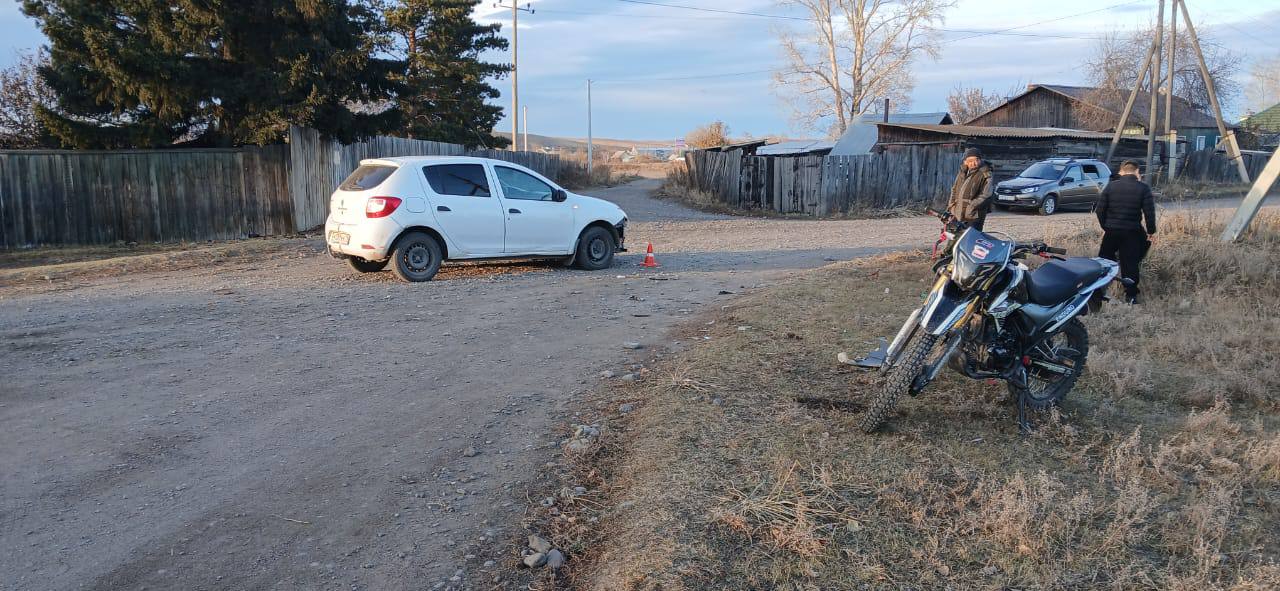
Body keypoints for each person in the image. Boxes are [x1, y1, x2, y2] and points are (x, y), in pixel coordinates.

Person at [1095, 160, 1156, 304]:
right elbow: (1149, 213)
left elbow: (1099, 210)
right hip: (1132, 232)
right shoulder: (1143, 188)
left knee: (1104, 262)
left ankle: (1096, 292)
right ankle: (1131, 296)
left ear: (1121, 171)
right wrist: (1151, 231)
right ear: (1137, 171)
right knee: (1130, 264)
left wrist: (1106, 227)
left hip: (1111, 232)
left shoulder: (1111, 187)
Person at [945, 147, 994, 231]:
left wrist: (971, 206)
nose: (973, 163)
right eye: (970, 161)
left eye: (975, 160)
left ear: (980, 160)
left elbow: (986, 195)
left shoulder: (986, 173)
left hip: (974, 214)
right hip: (958, 212)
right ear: (966, 162)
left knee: (971, 239)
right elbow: (954, 189)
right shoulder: (962, 172)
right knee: (955, 237)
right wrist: (951, 205)